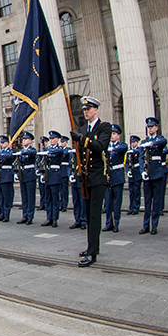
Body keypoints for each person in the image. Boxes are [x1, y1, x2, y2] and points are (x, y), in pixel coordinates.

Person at [69, 96, 111, 267]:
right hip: (86, 178)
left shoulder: (104, 127)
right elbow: (80, 153)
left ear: (96, 110)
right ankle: (91, 246)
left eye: (88, 109)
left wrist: (81, 139)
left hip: (99, 178)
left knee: (94, 216)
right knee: (88, 215)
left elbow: (100, 146)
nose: (85, 112)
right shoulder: (84, 128)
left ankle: (92, 253)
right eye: (84, 110)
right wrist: (79, 171)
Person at [139, 117, 168, 235]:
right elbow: (141, 158)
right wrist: (142, 171)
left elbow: (163, 141)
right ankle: (146, 225)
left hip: (157, 173)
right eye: (148, 127)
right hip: (147, 173)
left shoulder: (159, 140)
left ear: (156, 128)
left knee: (156, 201)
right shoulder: (143, 142)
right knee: (147, 201)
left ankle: (154, 225)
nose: (150, 129)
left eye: (152, 127)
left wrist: (151, 143)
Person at [103, 125, 126, 232]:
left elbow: (123, 148)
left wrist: (112, 148)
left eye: (114, 134)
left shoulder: (121, 145)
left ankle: (116, 223)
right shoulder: (106, 146)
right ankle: (109, 223)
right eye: (111, 134)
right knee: (108, 202)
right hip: (108, 177)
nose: (112, 136)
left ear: (118, 135)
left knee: (117, 202)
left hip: (117, 176)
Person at [16, 132, 37, 225]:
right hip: (23, 174)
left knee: (30, 196)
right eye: (23, 139)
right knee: (24, 196)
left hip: (30, 174)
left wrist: (21, 152)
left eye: (26, 139)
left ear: (30, 141)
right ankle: (24, 215)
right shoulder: (21, 151)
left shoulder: (31, 150)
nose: (24, 141)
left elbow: (31, 153)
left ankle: (30, 216)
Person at [0, 135, 15, 223]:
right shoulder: (0, 152)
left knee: (7, 197)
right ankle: (2, 214)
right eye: (1, 143)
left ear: (8, 143)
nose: (2, 144)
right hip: (0, 175)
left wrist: (0, 155)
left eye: (3, 143)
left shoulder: (10, 151)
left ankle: (7, 215)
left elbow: (10, 156)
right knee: (0, 197)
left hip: (7, 176)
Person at [126, 135, 142, 215]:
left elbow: (140, 156)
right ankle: (131, 207)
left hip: (137, 172)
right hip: (131, 172)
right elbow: (126, 162)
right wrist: (127, 170)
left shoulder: (138, 150)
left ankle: (136, 207)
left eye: (134, 142)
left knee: (136, 191)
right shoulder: (129, 152)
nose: (133, 144)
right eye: (132, 142)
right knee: (131, 191)